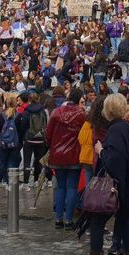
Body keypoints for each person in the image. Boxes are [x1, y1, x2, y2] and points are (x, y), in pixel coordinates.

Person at [88, 93, 129, 255]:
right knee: (125, 221)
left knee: (97, 220)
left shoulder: (116, 129)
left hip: (117, 185)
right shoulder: (126, 127)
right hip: (128, 183)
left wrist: (101, 151)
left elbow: (114, 160)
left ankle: (96, 251)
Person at [45, 88, 87, 228]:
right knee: (72, 187)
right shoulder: (81, 114)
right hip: (73, 155)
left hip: (57, 155)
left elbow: (48, 134)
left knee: (61, 187)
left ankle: (58, 219)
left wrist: (52, 146)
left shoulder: (56, 112)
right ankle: (68, 219)